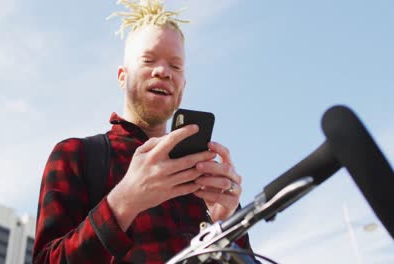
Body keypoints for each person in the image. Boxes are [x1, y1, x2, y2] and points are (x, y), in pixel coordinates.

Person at [33, 1, 257, 263]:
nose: (163, 72)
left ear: (183, 84)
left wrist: (226, 227)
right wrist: (124, 201)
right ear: (122, 76)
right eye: (148, 60)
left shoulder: (202, 180)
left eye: (176, 66)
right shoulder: (76, 155)